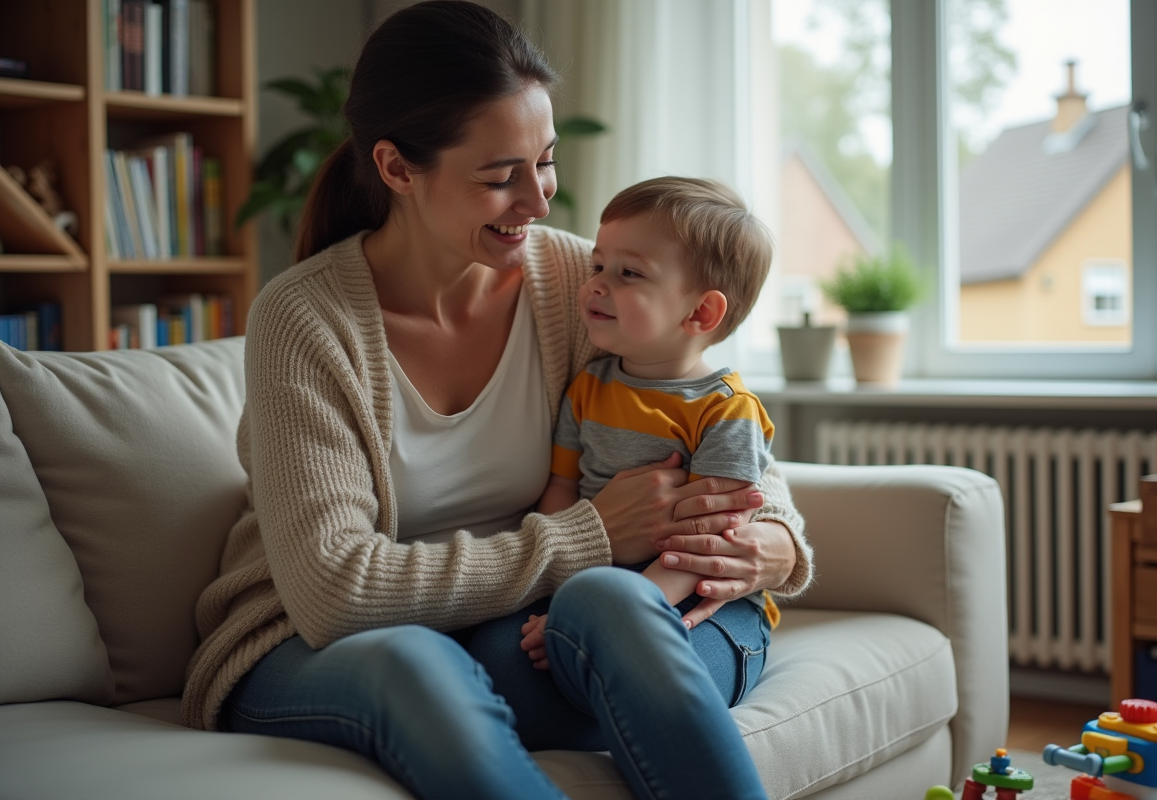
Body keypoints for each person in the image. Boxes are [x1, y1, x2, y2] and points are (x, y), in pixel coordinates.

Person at [180, 3, 813, 799]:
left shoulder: (579, 285)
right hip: (330, 643)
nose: (540, 200)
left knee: (611, 609)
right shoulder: (305, 319)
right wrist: (586, 535)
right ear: (397, 168)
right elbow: (335, 591)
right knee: (425, 663)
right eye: (499, 176)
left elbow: (718, 422)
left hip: (529, 627)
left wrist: (774, 542)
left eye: (544, 162)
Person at [517, 177, 781, 677]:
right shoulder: (588, 388)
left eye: (629, 273)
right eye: (598, 266)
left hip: (695, 593)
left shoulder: (727, 410)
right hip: (600, 579)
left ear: (700, 311)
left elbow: (713, 537)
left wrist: (608, 610)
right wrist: (564, 591)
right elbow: (561, 490)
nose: (596, 283)